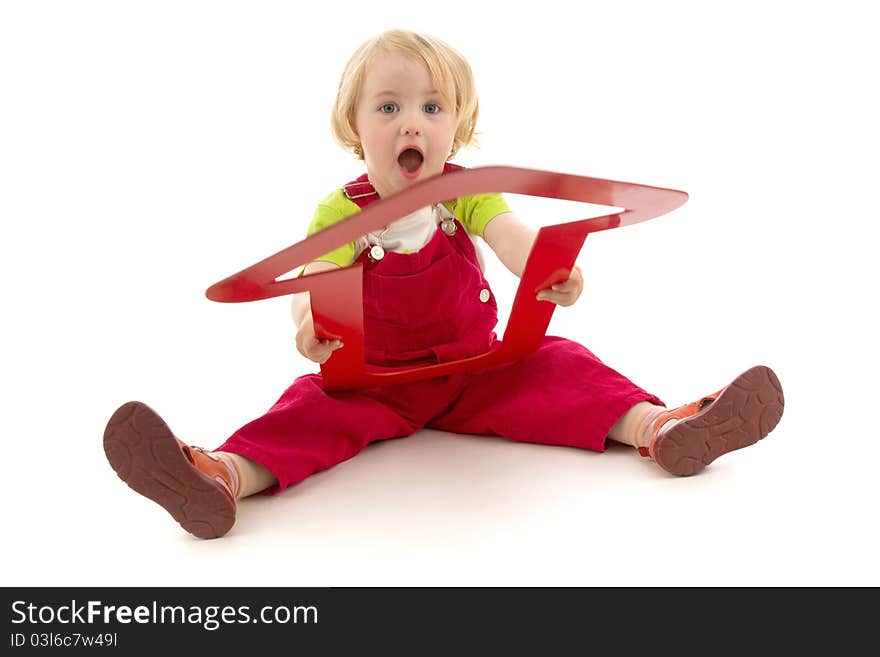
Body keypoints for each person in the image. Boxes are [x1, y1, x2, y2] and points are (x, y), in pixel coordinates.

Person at [103, 28, 785, 539]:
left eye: (433, 108)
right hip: (374, 381)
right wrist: (308, 323)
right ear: (354, 127)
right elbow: (314, 271)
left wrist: (553, 273)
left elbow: (512, 235)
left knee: (564, 366)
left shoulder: (464, 194)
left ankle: (662, 427)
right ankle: (219, 477)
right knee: (304, 413)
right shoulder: (342, 211)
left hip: (476, 370)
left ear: (456, 128)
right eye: (390, 106)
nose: (412, 122)